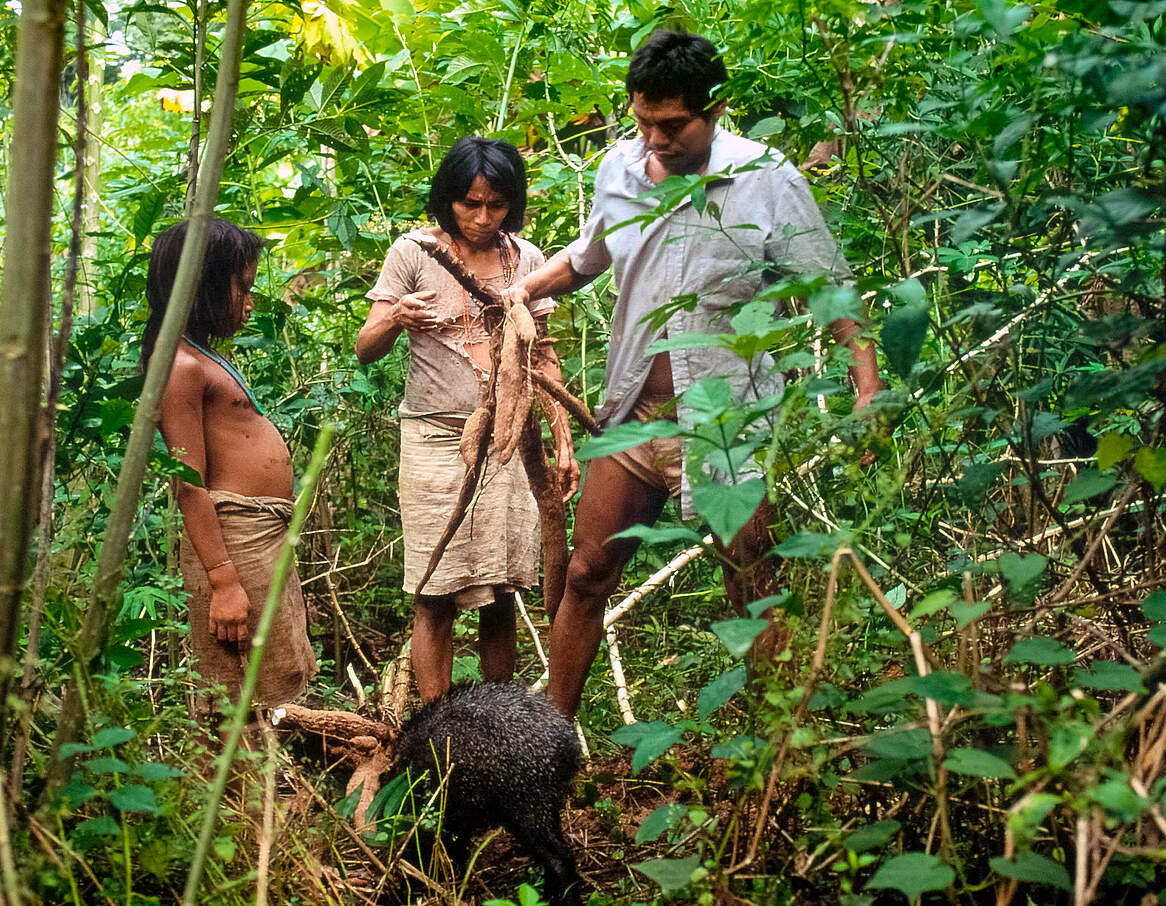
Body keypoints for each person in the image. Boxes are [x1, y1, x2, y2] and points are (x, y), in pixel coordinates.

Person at [504, 30, 883, 716]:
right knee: (587, 575)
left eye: (673, 125)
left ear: (716, 109)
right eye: (643, 121)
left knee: (753, 582)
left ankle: (776, 749)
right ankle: (550, 742)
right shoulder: (618, 169)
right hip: (632, 420)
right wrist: (522, 292)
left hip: (726, 423)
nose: (655, 139)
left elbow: (827, 283)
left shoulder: (766, 178)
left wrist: (866, 380)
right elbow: (588, 255)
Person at [357, 137, 576, 703]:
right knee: (434, 589)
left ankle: (497, 722)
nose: (481, 218)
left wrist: (563, 438)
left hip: (508, 443)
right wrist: (398, 318)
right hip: (433, 437)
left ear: (513, 203)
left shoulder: (524, 260)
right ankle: (436, 727)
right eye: (469, 204)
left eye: (496, 205)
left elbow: (542, 353)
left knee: (503, 589)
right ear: (448, 197)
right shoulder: (413, 252)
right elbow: (365, 347)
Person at [145, 218, 317, 718]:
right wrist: (223, 581)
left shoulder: (201, 356)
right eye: (242, 287)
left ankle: (267, 791)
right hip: (231, 540)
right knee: (235, 689)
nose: (250, 301)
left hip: (257, 535)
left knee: (272, 675)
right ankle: (237, 794)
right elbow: (189, 484)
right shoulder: (180, 366)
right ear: (203, 285)